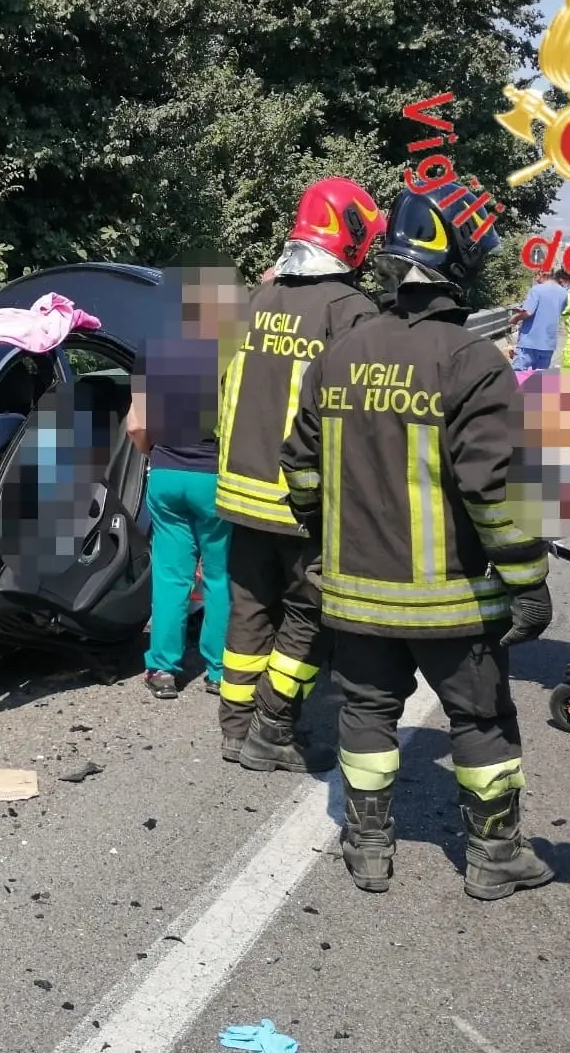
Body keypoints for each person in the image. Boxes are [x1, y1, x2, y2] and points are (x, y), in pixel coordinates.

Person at [284, 182, 554, 900]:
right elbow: (495, 493)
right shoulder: (471, 361)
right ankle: (495, 857)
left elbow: (300, 471)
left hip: (353, 592)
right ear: (455, 261)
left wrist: (321, 544)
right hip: (451, 602)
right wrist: (528, 581)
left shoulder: (339, 355)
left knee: (366, 710)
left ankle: (368, 844)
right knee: (481, 719)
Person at [212, 177, 385, 767]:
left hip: (239, 490)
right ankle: (272, 724)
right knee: (312, 614)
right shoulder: (351, 311)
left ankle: (234, 726)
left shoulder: (252, 300)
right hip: (301, 499)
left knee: (250, 607)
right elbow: (362, 413)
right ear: (352, 237)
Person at [127, 261, 242, 701]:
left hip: (167, 473)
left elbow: (136, 423)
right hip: (215, 478)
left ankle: (162, 669)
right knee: (219, 575)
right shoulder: (233, 352)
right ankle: (219, 669)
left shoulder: (152, 348)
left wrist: (154, 454)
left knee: (172, 575)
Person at [507, 270, 568, 371]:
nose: (535, 279)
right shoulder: (563, 292)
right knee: (540, 379)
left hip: (530, 342)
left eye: (535, 275)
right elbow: (559, 311)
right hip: (549, 342)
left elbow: (528, 312)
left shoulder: (537, 290)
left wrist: (515, 318)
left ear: (541, 274)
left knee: (518, 374)